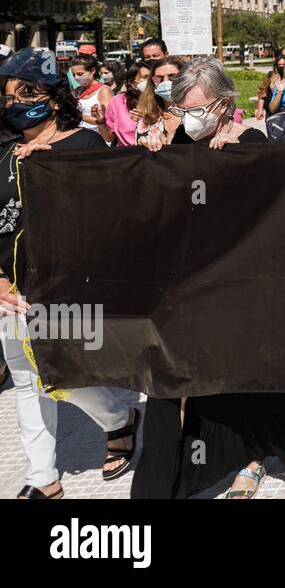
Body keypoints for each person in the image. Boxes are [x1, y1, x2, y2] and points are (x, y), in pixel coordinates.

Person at [133, 58, 285, 498]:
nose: (189, 118)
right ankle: (157, 486)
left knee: (242, 377)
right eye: (181, 108)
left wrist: (250, 154)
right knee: (167, 384)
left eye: (198, 108)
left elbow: (280, 201)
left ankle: (251, 456)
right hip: (181, 286)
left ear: (224, 105)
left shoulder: (248, 139)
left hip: (238, 286)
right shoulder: (168, 139)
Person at [0, 48, 139, 499]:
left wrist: (48, 166)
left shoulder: (84, 146)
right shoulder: (2, 149)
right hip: (11, 292)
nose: (14, 104)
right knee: (27, 381)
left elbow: (110, 218)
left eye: (26, 93)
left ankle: (119, 419)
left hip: (66, 292)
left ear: (55, 99)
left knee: (64, 377)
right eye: (7, 96)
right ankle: (43, 479)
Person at [104, 62, 162, 146]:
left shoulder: (159, 98)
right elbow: (109, 137)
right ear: (132, 82)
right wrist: (101, 123)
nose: (150, 81)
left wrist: (148, 119)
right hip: (128, 155)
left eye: (151, 77)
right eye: (145, 77)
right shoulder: (118, 101)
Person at [68, 54, 112, 142]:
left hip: (99, 140)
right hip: (80, 140)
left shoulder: (104, 91)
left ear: (92, 71)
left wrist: (79, 116)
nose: (76, 77)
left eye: (80, 74)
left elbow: (108, 122)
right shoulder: (78, 91)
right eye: (73, 74)